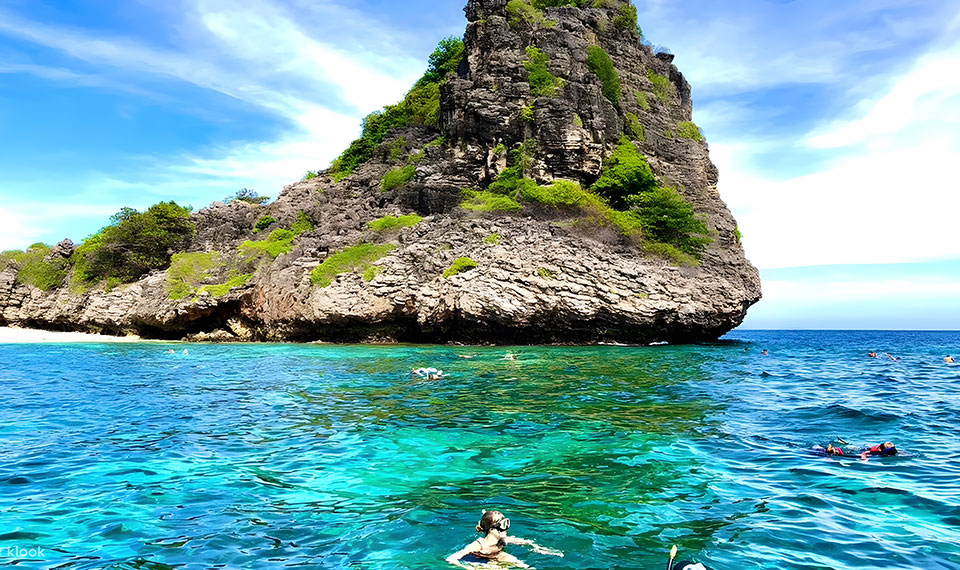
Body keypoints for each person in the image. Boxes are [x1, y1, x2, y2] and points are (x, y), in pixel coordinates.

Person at [446, 510, 562, 567]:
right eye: (502, 526)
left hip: (497, 555)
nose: (506, 529)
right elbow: (451, 559)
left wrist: (539, 549)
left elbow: (526, 542)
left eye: (506, 525)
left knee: (525, 566)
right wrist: (469, 568)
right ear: (491, 529)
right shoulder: (478, 545)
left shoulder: (502, 540)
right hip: (479, 559)